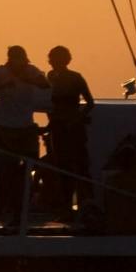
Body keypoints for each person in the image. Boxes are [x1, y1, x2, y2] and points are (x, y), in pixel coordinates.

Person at [0, 45, 44, 223]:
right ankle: (4, 210)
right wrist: (4, 84)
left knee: (30, 167)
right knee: (5, 171)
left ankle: (23, 207)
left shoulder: (31, 71)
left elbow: (45, 84)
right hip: (5, 128)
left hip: (26, 127)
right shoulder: (0, 72)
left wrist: (29, 79)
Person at [41, 45, 94, 218]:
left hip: (74, 128)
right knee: (62, 166)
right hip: (58, 128)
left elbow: (90, 102)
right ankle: (66, 206)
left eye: (53, 58)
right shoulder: (50, 77)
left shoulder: (75, 78)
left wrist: (77, 119)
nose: (50, 61)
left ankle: (87, 203)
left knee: (80, 166)